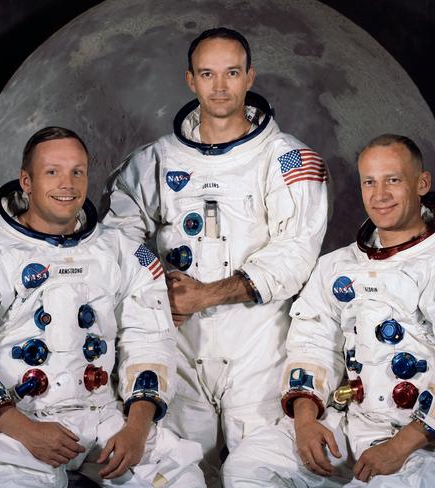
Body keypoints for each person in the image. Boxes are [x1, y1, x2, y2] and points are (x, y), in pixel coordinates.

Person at [222, 134, 435, 487]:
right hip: (353, 427)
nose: (379, 195)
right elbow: (312, 343)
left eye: (393, 180)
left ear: (422, 183)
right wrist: (305, 421)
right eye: (369, 182)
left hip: (433, 446)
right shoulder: (339, 267)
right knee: (249, 466)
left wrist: (400, 446)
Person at [0, 126, 205, 487]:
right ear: (26, 181)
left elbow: (150, 339)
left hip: (105, 418)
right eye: (52, 172)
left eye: (77, 171)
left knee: (182, 480)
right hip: (16, 425)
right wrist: (24, 430)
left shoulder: (123, 252)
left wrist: (136, 429)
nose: (67, 184)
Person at [104, 27, 330, 485]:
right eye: (208, 74)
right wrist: (161, 288)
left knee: (258, 468)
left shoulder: (288, 159)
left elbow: (295, 253)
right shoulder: (153, 162)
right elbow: (116, 242)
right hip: (180, 339)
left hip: (259, 340)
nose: (220, 86)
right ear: (191, 80)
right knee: (181, 467)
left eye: (231, 73)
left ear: (250, 77)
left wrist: (206, 294)